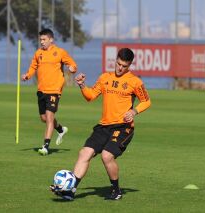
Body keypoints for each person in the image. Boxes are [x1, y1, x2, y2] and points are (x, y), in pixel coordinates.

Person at [50, 48, 151, 201]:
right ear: (115, 60)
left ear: (129, 65)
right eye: (118, 64)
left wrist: (134, 111)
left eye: (124, 66)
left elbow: (146, 101)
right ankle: (70, 190)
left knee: (106, 156)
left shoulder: (135, 82)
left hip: (123, 127)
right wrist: (82, 85)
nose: (120, 68)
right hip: (103, 127)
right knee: (84, 153)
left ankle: (116, 191)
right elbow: (90, 97)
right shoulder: (105, 78)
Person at [22, 28, 77, 155]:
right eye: (40, 39)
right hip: (41, 90)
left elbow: (72, 65)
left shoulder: (60, 52)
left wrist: (72, 68)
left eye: (44, 39)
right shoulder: (38, 53)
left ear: (51, 40)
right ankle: (61, 129)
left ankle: (45, 146)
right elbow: (33, 67)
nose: (41, 42)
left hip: (54, 90)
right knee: (44, 118)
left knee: (50, 117)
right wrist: (27, 76)